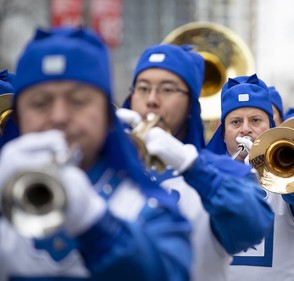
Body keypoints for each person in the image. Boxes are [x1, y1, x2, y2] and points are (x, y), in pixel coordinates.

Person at [0, 26, 192, 280]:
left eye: (78, 101)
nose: (58, 117)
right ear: (19, 118)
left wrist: (97, 225)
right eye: (40, 103)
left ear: (106, 115)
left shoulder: (151, 208)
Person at [119, 43, 274, 281]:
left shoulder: (223, 169)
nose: (151, 100)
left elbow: (252, 226)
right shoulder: (109, 166)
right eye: (142, 88)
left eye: (167, 89)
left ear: (191, 105)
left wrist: (191, 166)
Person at [206, 74, 294, 281]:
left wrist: (281, 169)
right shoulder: (205, 174)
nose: (245, 129)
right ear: (223, 134)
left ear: (271, 129)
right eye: (235, 122)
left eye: (255, 120)